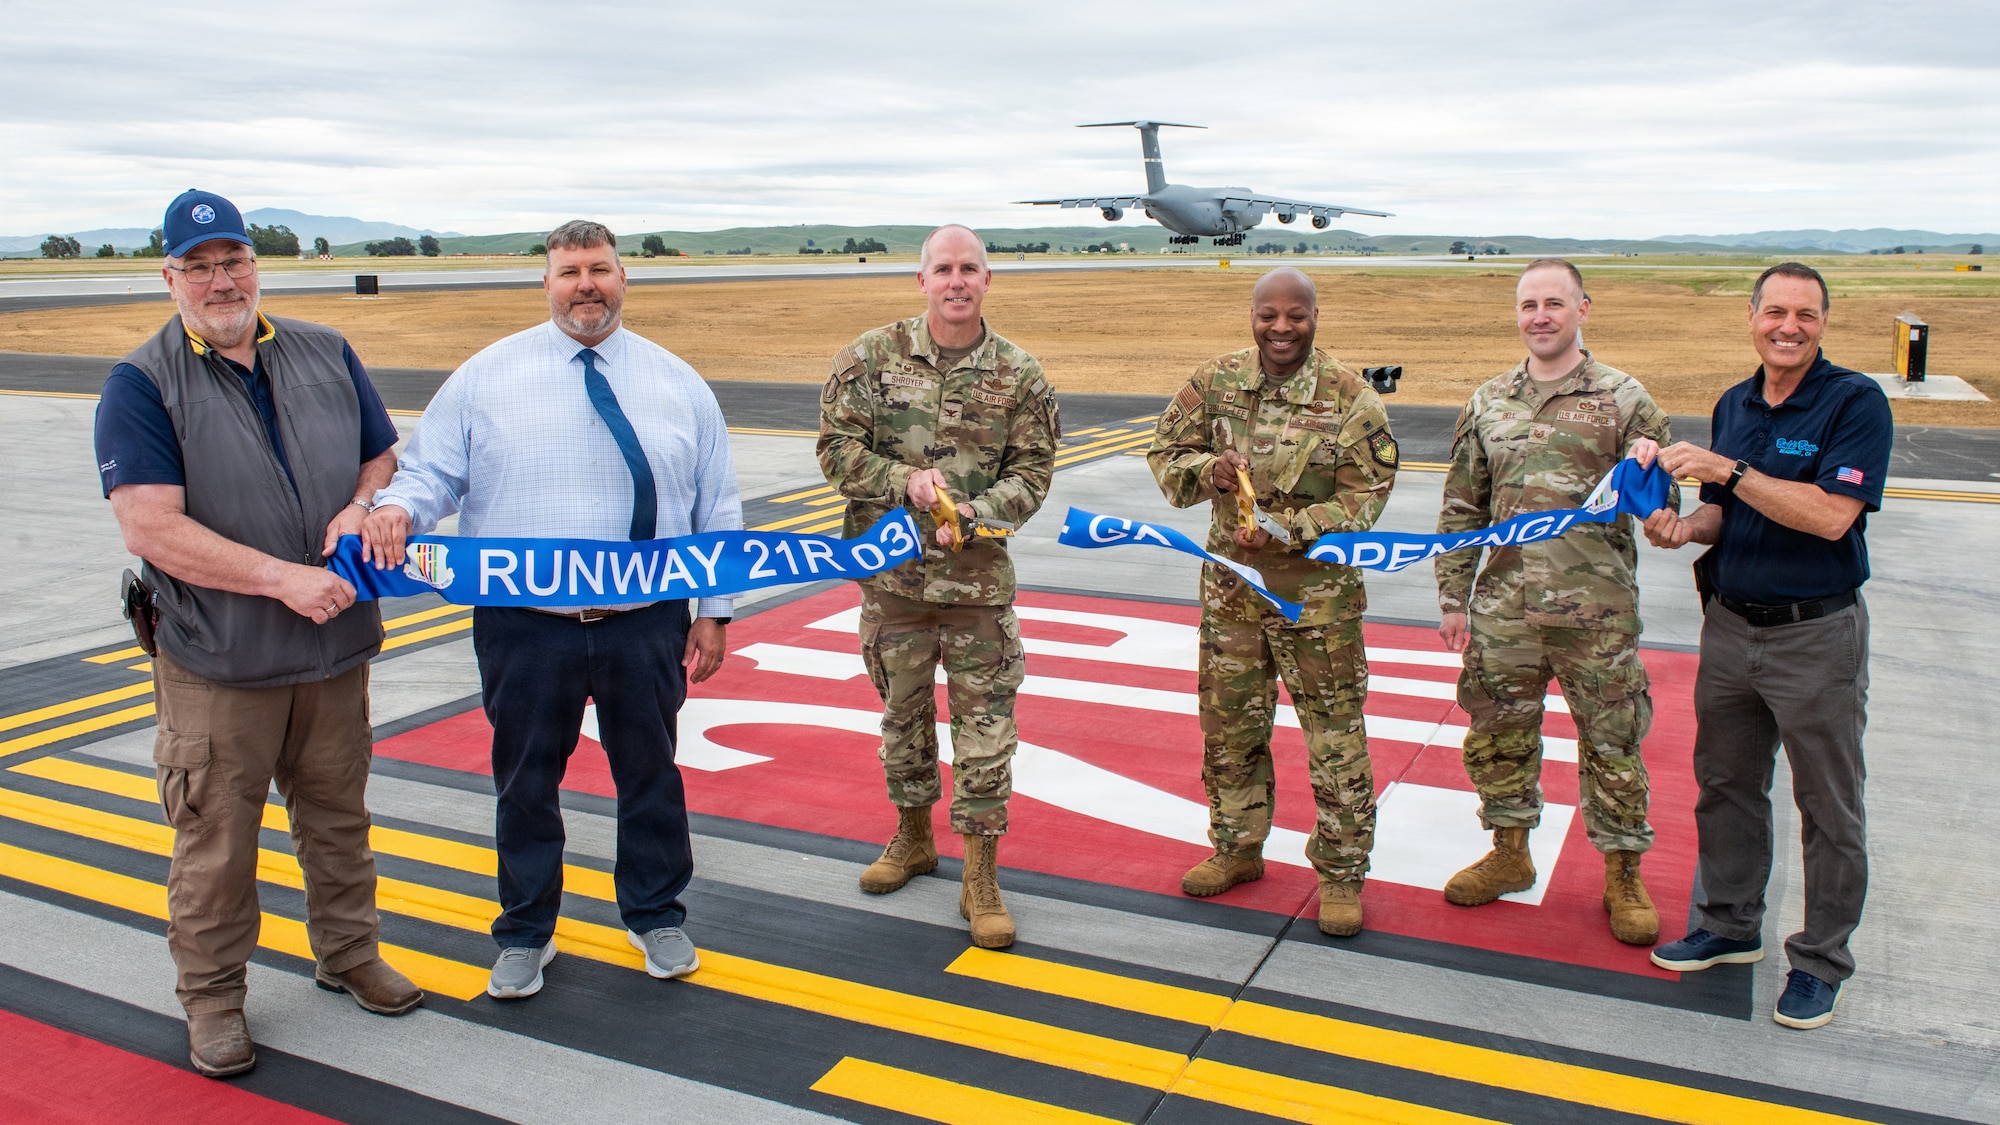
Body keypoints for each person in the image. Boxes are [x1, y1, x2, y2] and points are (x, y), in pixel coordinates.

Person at [361, 220, 741, 997]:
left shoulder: (679, 382)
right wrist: (401, 509)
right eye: (569, 271)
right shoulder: (485, 377)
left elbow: (717, 507)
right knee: (525, 781)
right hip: (525, 628)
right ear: (546, 283)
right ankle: (527, 929)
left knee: (651, 773)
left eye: (599, 269)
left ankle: (655, 912)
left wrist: (715, 609)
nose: (585, 286)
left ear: (624, 279)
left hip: (646, 621)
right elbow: (431, 472)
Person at [93, 189, 419, 1078]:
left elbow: (381, 452)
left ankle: (349, 953)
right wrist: (281, 578)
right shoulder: (141, 383)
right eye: (198, 266)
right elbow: (151, 527)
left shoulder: (322, 349)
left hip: (332, 648)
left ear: (255, 265)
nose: (219, 279)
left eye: (232, 260)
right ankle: (213, 997)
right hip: (219, 660)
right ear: (170, 278)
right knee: (216, 840)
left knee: (338, 813)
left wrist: (360, 506)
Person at [1640, 262, 1890, 1031]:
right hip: (1732, 626)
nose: (1790, 326)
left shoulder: (1854, 401)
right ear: (1752, 317)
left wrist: (1729, 468)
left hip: (1815, 633)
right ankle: (1730, 923)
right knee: (1727, 783)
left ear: (1824, 322)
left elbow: (1829, 517)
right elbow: (1723, 511)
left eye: (1806, 314)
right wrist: (1684, 529)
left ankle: (1820, 960)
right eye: (1776, 311)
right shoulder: (1736, 402)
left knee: (1828, 802)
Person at [816, 224, 1059, 950]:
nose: (957, 281)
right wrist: (905, 484)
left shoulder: (1021, 374)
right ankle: (913, 838)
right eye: (943, 269)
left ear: (988, 280)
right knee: (903, 719)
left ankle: (980, 874)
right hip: (893, 584)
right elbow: (836, 450)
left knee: (985, 734)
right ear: (920, 281)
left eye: (970, 269)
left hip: (978, 588)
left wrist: (978, 514)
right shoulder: (867, 359)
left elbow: (1034, 474)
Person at [1146, 266, 1397, 937]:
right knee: (1230, 732)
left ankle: (1342, 873)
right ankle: (1237, 847)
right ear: (1252, 315)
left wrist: (1298, 527)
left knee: (1335, 738)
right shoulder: (1215, 383)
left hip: (1317, 605)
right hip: (1232, 598)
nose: (1281, 328)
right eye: (1269, 314)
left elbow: (1365, 499)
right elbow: (1165, 453)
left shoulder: (1351, 398)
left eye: (1296, 315)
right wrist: (1209, 471)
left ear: (1315, 316)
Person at [1433, 258, 1675, 946]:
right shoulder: (1488, 401)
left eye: (1554, 303)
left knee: (1613, 741)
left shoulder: (1624, 399)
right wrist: (1454, 597)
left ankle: (1623, 871)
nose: (1539, 315)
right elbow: (1461, 506)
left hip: (1594, 613)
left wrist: (1654, 474)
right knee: (1499, 734)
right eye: (1528, 304)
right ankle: (1510, 852)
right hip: (1504, 610)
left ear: (1582, 310)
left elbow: (1667, 501)